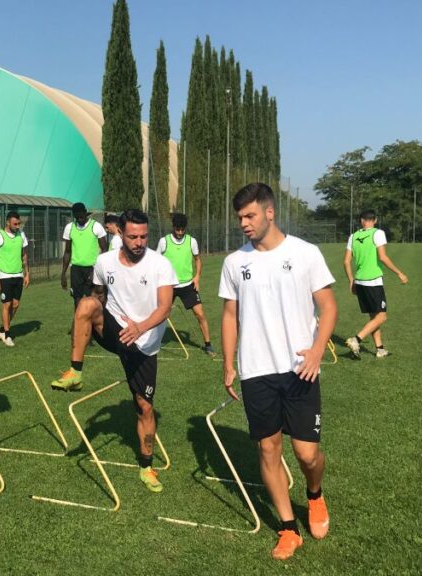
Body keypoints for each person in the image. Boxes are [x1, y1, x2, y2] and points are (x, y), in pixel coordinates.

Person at [219, 183, 338, 561]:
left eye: (250, 215)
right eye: (240, 217)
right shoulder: (235, 262)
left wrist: (318, 350)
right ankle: (288, 528)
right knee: (268, 448)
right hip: (256, 371)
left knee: (306, 454)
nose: (244, 224)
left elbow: (329, 306)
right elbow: (229, 315)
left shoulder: (306, 253)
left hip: (300, 368)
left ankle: (315, 496)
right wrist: (228, 363)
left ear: (270, 212)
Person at [50, 209, 176, 493]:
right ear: (120, 232)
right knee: (85, 304)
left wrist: (141, 328)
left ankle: (146, 466)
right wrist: (84, 322)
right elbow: (97, 295)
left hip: (143, 341)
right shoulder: (104, 261)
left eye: (144, 236)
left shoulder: (160, 264)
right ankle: (76, 372)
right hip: (114, 328)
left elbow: (165, 307)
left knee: (144, 406)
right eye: (133, 236)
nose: (139, 242)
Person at [343, 210, 408, 358]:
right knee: (382, 317)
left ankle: (380, 349)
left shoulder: (353, 236)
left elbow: (346, 261)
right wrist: (399, 273)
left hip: (359, 281)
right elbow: (383, 257)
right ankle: (356, 339)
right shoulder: (378, 233)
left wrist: (351, 280)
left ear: (361, 221)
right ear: (375, 220)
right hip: (373, 281)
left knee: (374, 316)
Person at [156, 212, 216, 356]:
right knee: (161, 314)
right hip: (168, 285)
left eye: (183, 229)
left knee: (200, 313)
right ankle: (154, 342)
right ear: (173, 227)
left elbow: (198, 260)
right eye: (178, 229)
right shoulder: (164, 241)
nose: (180, 232)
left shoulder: (191, 241)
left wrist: (197, 277)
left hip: (188, 285)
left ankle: (208, 345)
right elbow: (155, 262)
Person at [0, 210, 30, 347]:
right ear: (7, 222)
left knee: (15, 305)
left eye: (19, 223)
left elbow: (24, 256)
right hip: (4, 276)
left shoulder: (21, 235)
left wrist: (27, 273)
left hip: (18, 275)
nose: (18, 226)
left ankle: (1, 330)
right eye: (15, 224)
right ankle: (7, 334)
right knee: (6, 304)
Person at [60, 203, 107, 314]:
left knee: (93, 300)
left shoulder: (96, 226)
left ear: (85, 212)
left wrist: (96, 270)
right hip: (76, 269)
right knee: (77, 300)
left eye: (81, 216)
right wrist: (63, 274)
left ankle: (95, 327)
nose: (79, 219)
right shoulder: (69, 228)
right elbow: (67, 252)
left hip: (92, 269)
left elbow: (105, 250)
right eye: (76, 217)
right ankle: (79, 327)